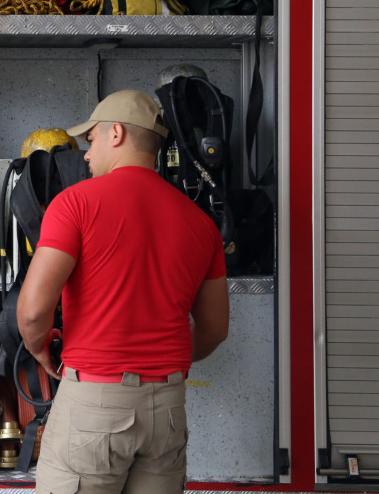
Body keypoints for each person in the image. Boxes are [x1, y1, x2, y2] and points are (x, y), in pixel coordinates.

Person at [16, 89, 229, 494]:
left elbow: (31, 312)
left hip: (94, 407)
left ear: (116, 133)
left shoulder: (75, 203)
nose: (86, 154)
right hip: (167, 409)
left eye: (91, 138)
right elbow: (215, 329)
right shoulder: (201, 222)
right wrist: (157, 360)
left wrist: (39, 348)